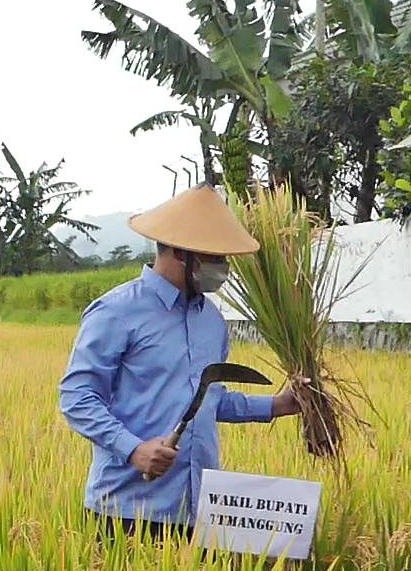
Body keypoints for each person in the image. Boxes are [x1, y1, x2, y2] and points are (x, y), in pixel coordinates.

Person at [58, 185, 305, 542]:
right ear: (179, 252)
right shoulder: (116, 311)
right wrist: (134, 449)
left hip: (198, 508)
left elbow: (208, 399)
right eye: (214, 258)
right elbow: (77, 398)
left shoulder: (212, 321)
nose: (222, 268)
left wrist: (277, 405)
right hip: (128, 509)